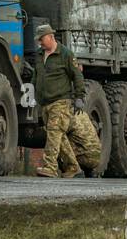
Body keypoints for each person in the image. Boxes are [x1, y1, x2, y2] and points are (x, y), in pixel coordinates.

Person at [31, 24, 100, 178]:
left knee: (54, 133)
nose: (40, 43)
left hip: (61, 101)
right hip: (45, 103)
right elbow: (36, 76)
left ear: (50, 36)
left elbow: (77, 76)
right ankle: (73, 168)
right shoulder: (39, 54)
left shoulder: (65, 54)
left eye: (41, 39)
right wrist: (32, 94)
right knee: (58, 136)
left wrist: (79, 97)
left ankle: (50, 166)